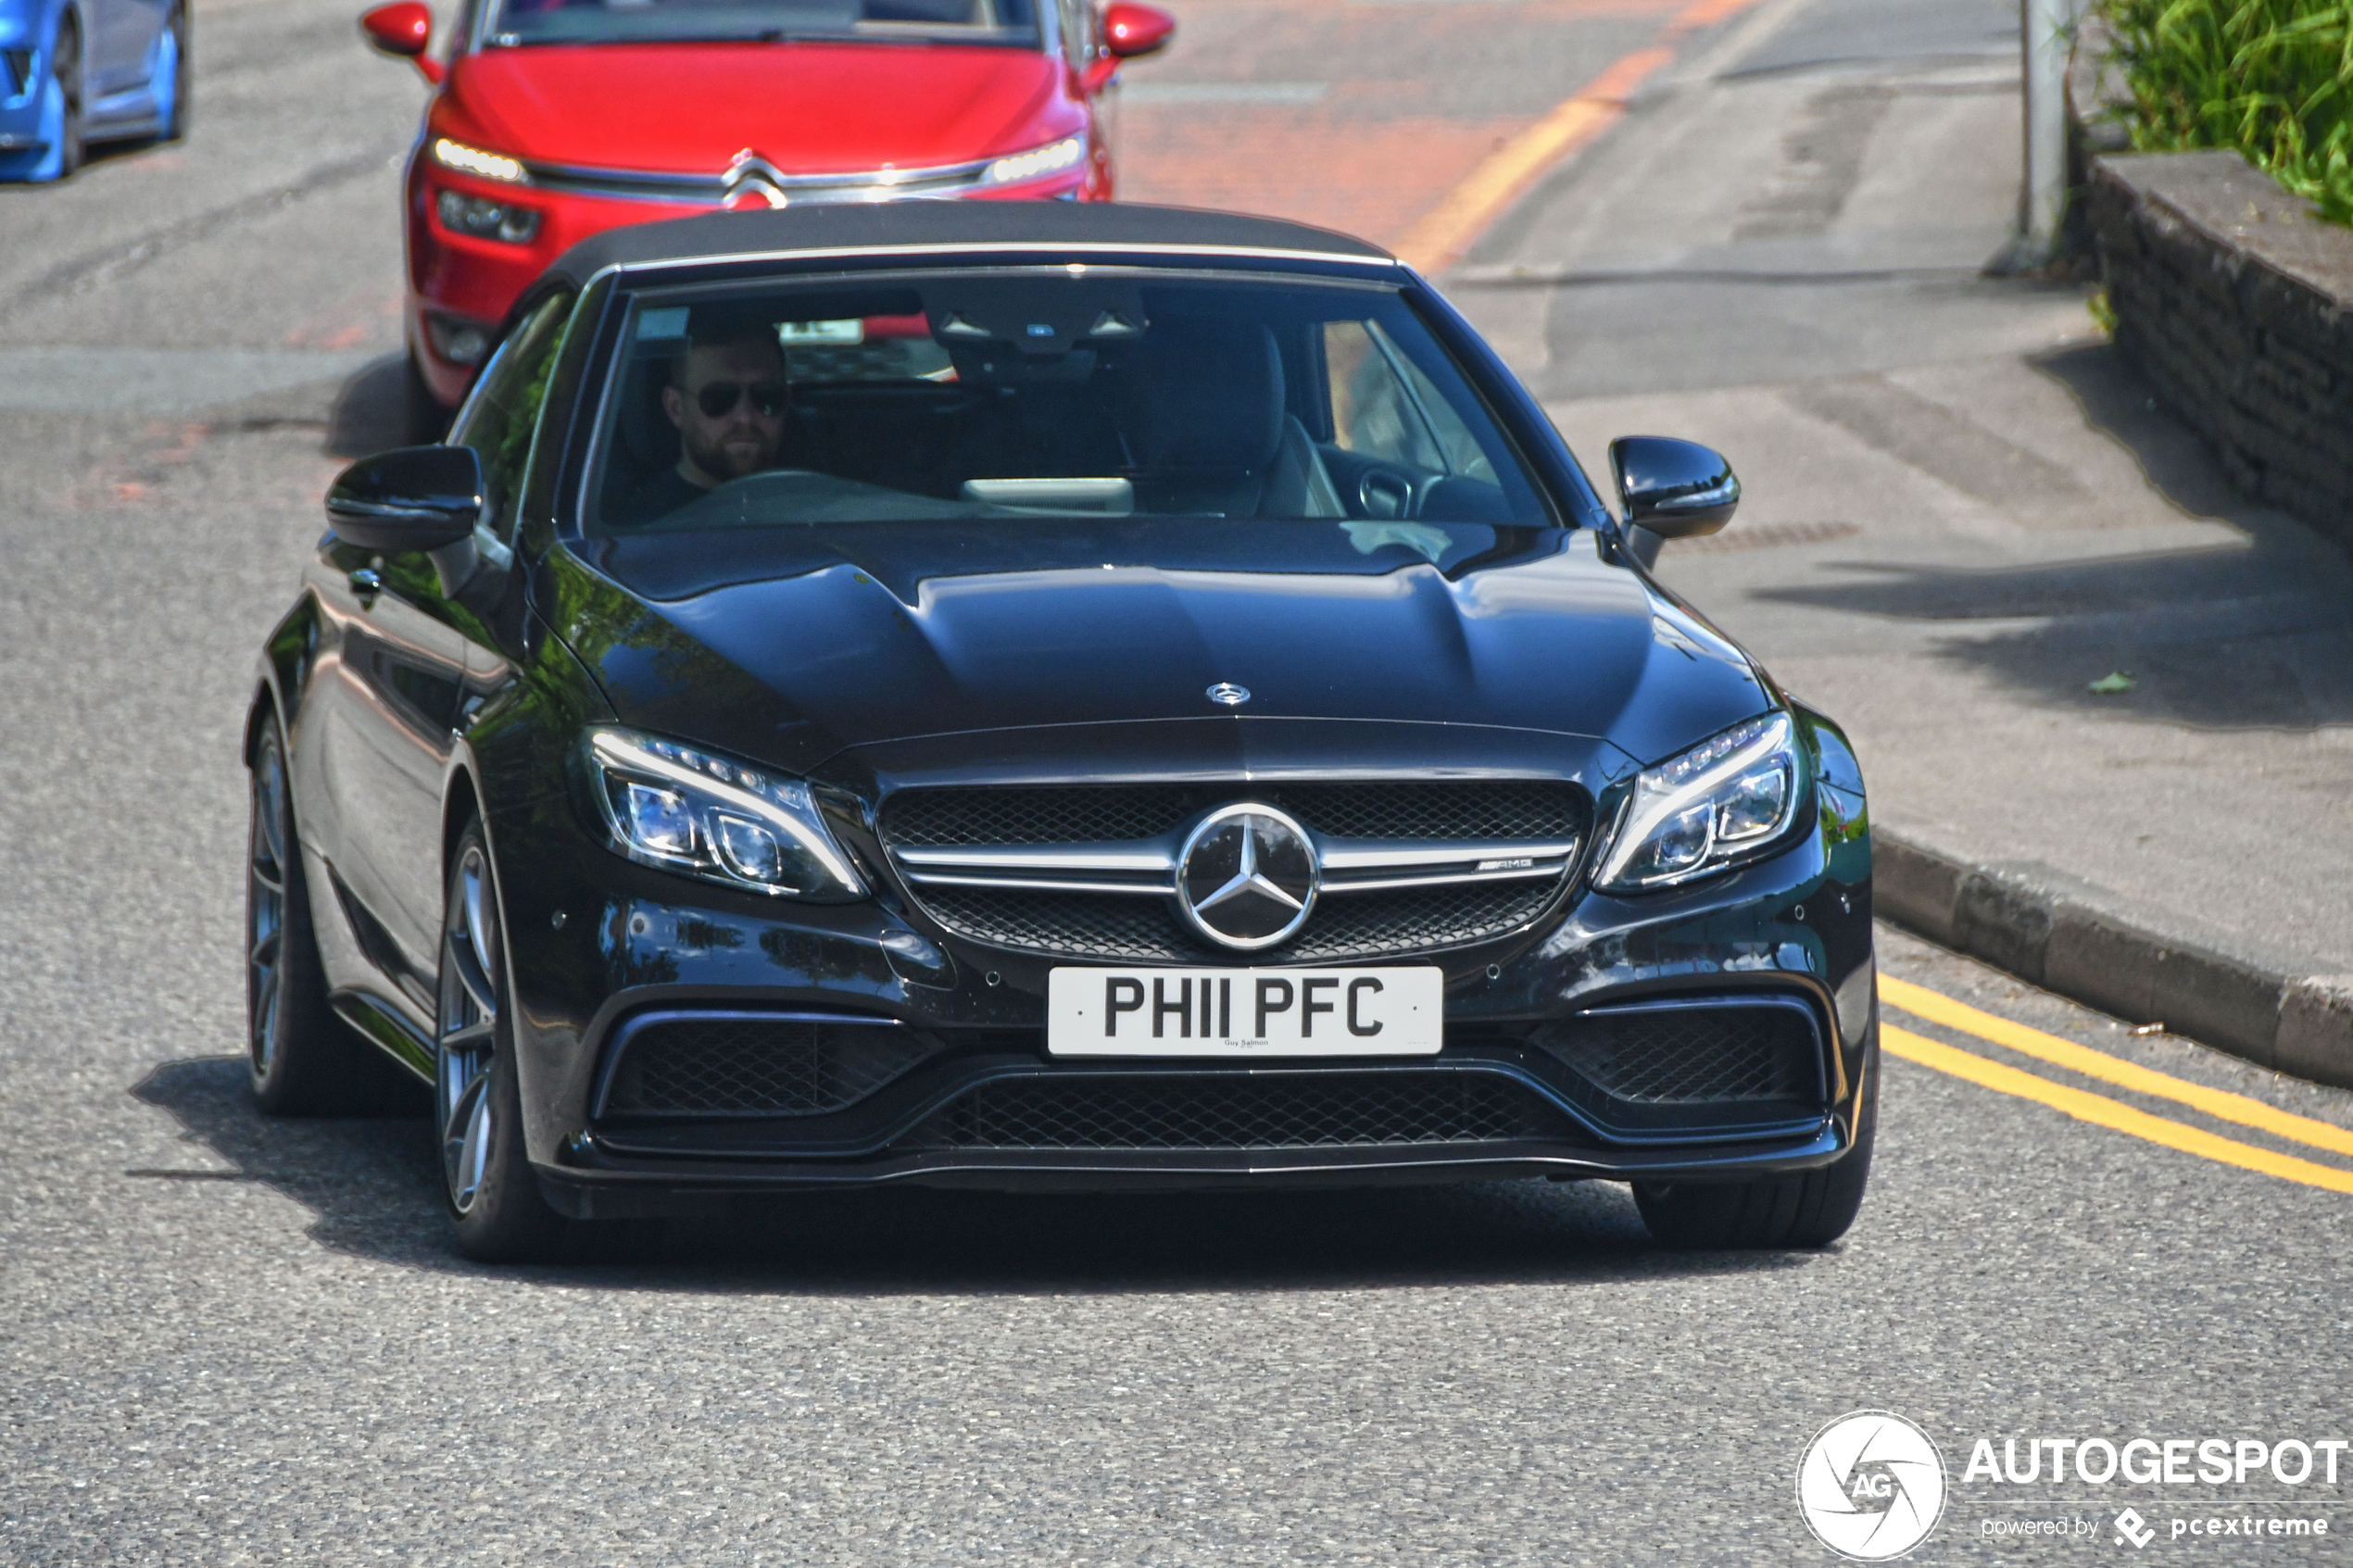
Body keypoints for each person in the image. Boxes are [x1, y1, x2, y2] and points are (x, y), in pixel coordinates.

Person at [612, 321, 791, 524]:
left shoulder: (819, 507)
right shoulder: (637, 528)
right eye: (719, 399)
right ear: (676, 408)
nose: (745, 417)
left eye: (766, 397)